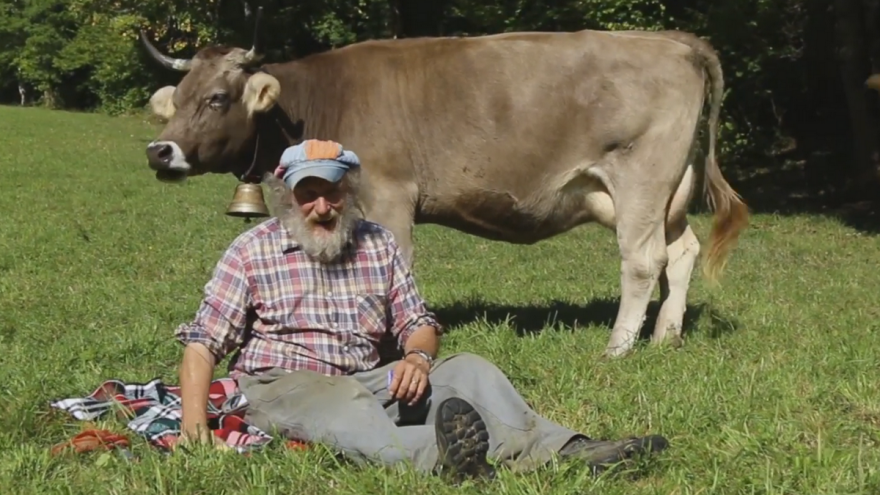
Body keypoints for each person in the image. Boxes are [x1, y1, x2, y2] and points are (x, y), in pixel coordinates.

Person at [173, 139, 669, 481]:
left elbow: (418, 322)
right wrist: (194, 430)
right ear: (287, 197)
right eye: (309, 194)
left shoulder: (377, 243)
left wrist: (416, 358)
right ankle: (446, 458)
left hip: (370, 378)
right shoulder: (252, 251)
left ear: (349, 192)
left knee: (470, 370)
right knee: (347, 407)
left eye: (333, 192)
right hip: (283, 384)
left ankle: (566, 449)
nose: (322, 206)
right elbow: (203, 344)